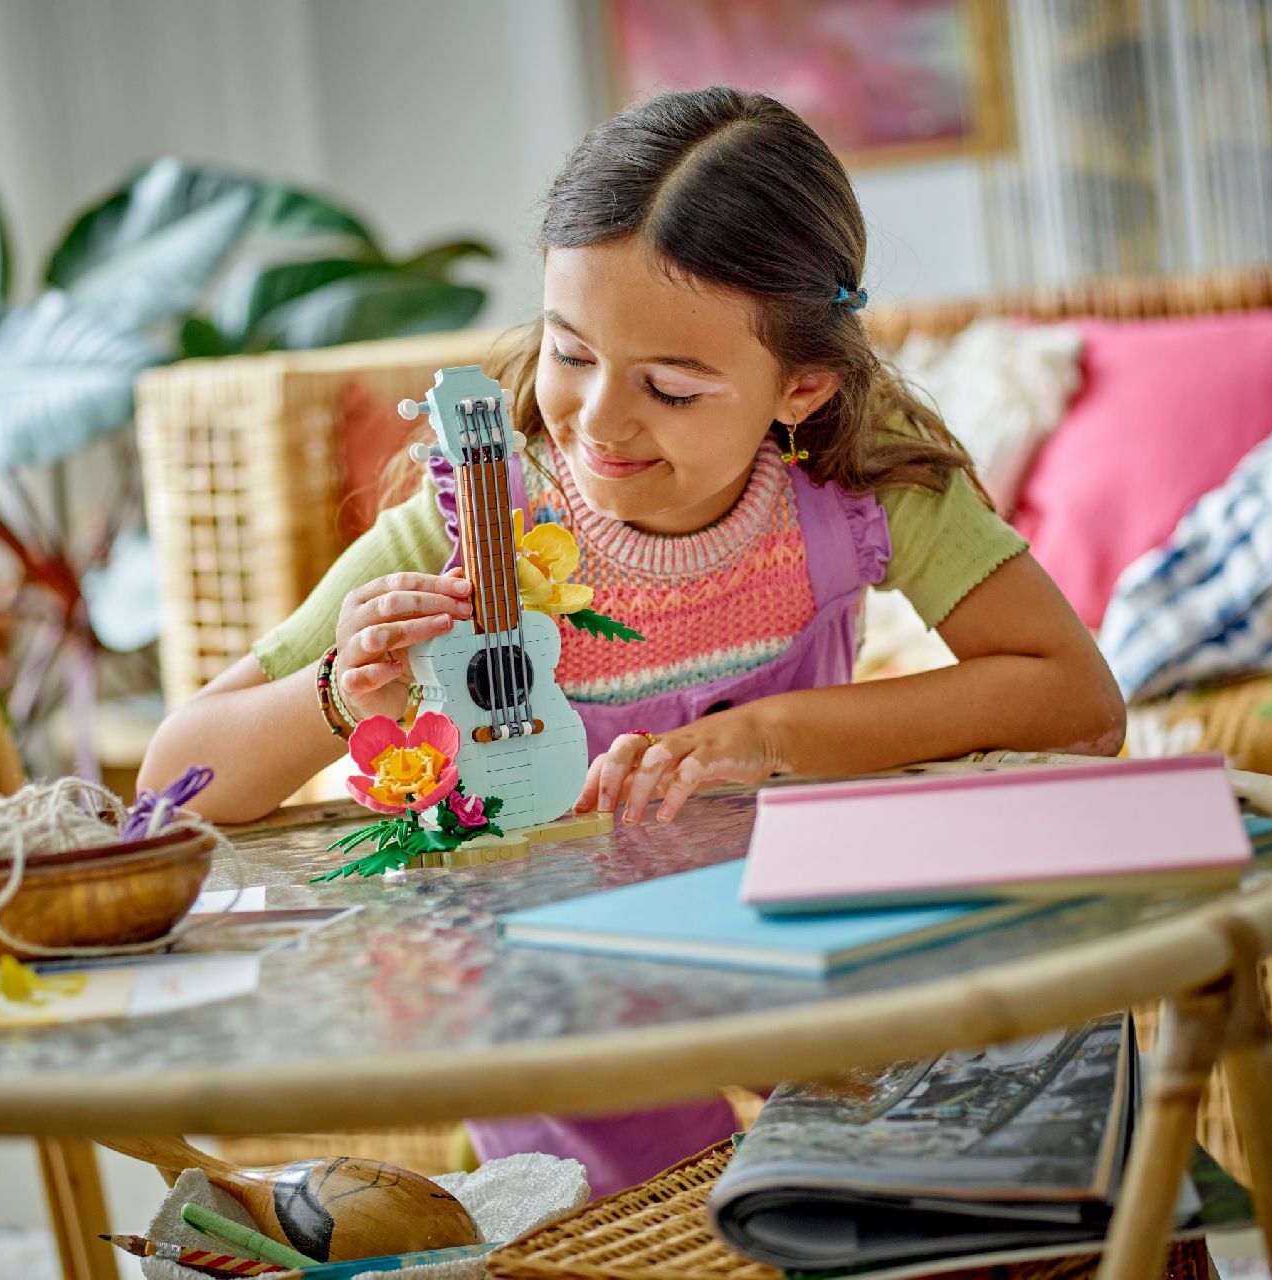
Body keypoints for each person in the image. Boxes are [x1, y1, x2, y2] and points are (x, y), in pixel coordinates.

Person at [139, 86, 1125, 1195]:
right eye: (570, 353)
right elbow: (178, 777)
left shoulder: (861, 478)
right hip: (556, 994)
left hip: (799, 935)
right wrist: (333, 691)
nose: (602, 419)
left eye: (670, 386)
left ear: (800, 385)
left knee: (968, 1157)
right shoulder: (470, 520)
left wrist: (775, 732)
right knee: (645, 1237)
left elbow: (1076, 700)